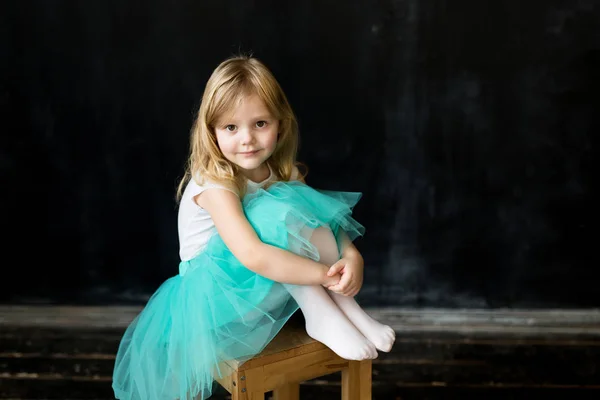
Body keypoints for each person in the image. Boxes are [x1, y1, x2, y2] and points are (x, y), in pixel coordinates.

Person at [112, 55, 395, 400]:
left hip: (265, 284)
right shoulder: (214, 184)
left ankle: (348, 310)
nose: (247, 139)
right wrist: (323, 274)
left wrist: (351, 257)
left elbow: (321, 220)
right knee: (274, 216)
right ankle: (321, 315)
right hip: (218, 300)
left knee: (296, 204)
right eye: (231, 128)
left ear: (280, 123)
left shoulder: (281, 171)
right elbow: (253, 255)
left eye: (260, 123)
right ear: (212, 133)